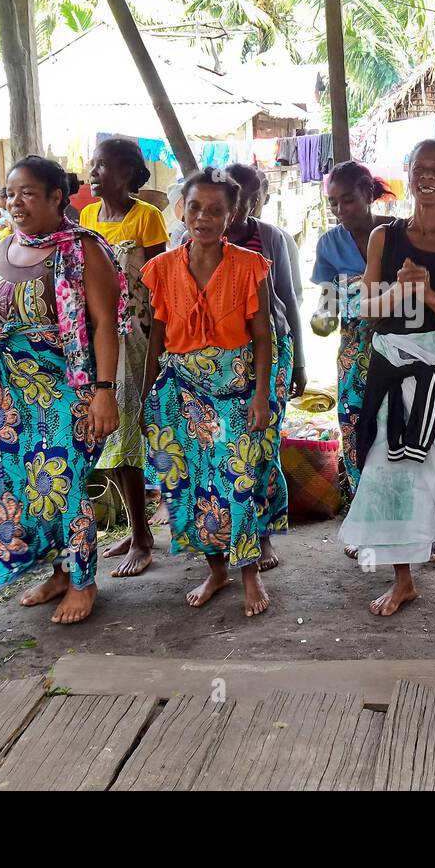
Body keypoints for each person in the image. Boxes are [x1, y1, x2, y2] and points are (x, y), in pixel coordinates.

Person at [339, 139, 435, 632]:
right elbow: (365, 309)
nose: (427, 176)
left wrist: (428, 294)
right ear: (409, 172)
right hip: (391, 371)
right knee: (390, 479)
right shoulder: (385, 238)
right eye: (418, 167)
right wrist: (401, 290)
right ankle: (403, 579)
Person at [0, 156, 123, 626]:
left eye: (28, 194)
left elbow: (104, 326)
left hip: (69, 387)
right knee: (25, 483)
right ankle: (59, 572)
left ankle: (84, 581)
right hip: (11, 394)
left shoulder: (83, 250)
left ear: (57, 198)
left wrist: (103, 391)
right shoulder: (2, 249)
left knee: (65, 481)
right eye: (10, 194)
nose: (15, 203)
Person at [141, 169, 281, 617]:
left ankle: (249, 572)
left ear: (232, 214)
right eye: (195, 207)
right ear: (183, 207)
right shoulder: (161, 269)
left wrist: (261, 395)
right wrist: (147, 397)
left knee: (237, 477)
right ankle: (217, 569)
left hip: (237, 389)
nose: (203, 217)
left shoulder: (249, 265)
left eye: (216, 209)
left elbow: (264, 337)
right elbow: (157, 340)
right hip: (183, 392)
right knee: (194, 484)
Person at [80, 137, 169, 579]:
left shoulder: (147, 218)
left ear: (129, 174)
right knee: (112, 435)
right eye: (92, 165)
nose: (93, 173)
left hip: (138, 337)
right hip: (100, 337)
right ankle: (139, 528)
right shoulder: (87, 218)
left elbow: (161, 286)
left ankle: (144, 536)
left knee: (132, 432)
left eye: (103, 166)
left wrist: (158, 348)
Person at [223, 163, 304, 572]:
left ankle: (265, 534)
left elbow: (288, 302)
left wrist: (300, 364)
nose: (242, 205)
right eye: (235, 194)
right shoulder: (198, 234)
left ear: (261, 200)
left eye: (251, 197)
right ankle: (228, 533)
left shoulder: (271, 238)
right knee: (226, 449)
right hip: (219, 360)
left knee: (264, 446)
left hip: (271, 350)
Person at [311, 161, 394, 509]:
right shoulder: (329, 244)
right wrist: (323, 316)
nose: (340, 210)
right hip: (354, 353)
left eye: (347, 200)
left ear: (368, 194)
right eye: (333, 202)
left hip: (399, 349)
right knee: (356, 427)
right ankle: (367, 515)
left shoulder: (398, 232)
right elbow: (327, 304)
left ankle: (412, 519)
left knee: (401, 425)